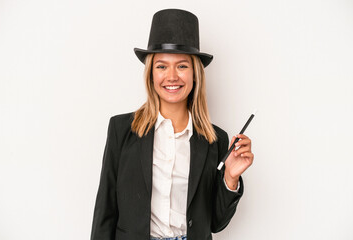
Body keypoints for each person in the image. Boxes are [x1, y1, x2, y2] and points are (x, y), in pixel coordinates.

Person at [90, 9, 254, 240]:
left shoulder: (215, 140)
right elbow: (105, 211)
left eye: (182, 66)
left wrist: (231, 178)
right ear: (151, 74)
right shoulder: (121, 130)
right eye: (162, 66)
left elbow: (216, 223)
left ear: (195, 74)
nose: (172, 76)